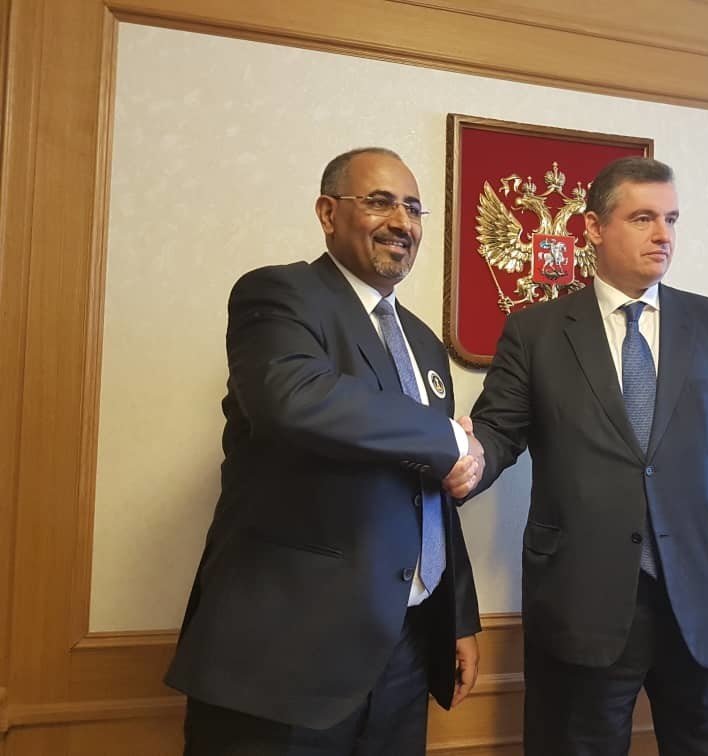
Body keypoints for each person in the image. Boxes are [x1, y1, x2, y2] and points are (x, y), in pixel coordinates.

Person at [450, 156, 708, 755]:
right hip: (580, 605)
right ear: (594, 228)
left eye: (671, 219)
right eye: (643, 218)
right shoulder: (536, 332)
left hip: (704, 603)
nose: (663, 234)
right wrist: (467, 457)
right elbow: (498, 433)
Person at [166, 147, 484, 756]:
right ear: (328, 213)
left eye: (413, 208)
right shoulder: (280, 295)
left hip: (404, 649)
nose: (402, 222)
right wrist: (449, 439)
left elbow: (428, 493)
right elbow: (293, 398)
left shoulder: (423, 341)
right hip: (284, 657)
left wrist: (458, 616)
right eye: (380, 202)